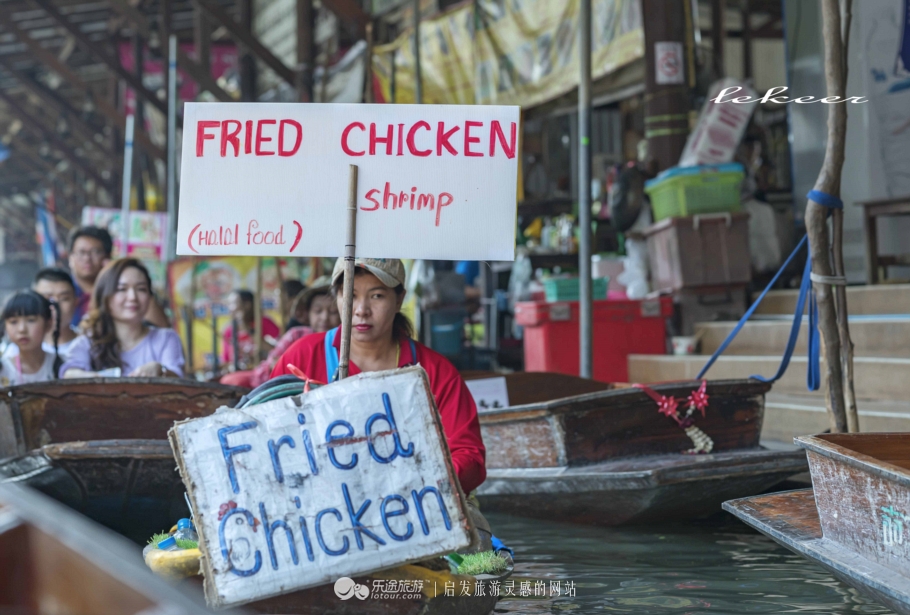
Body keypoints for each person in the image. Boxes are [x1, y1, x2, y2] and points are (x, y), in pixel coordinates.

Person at [270, 258, 486, 495]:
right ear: (337, 298)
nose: (361, 310)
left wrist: (419, 482)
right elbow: (267, 435)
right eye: (350, 295)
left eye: (377, 296)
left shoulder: (435, 372)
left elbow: (469, 456)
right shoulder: (302, 357)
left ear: (399, 300)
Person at [60, 259, 185, 378]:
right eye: (122, 289)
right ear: (105, 296)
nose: (132, 297)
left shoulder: (165, 338)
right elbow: (69, 373)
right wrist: (98, 380)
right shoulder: (88, 342)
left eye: (141, 289)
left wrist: (160, 370)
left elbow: (178, 379)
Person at [220, 284, 341, 388]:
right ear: (307, 314)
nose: (324, 317)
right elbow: (271, 363)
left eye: (333, 312)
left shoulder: (346, 341)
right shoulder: (296, 335)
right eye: (318, 311)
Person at [67, 226, 169, 329]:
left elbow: (161, 328)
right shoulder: (63, 290)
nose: (87, 258)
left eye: (95, 252)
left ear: (108, 257)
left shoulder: (122, 289)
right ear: (71, 258)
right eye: (81, 252)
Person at [2, 268, 79, 361]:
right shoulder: (12, 354)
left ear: (76, 301)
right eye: (47, 299)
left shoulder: (91, 346)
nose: (55, 306)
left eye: (64, 298)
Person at [1, 290, 60, 386]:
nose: (22, 329)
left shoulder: (64, 366)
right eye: (13, 322)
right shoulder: (3, 369)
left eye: (31, 320)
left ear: (48, 324)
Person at [221, 290, 280, 369]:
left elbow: (278, 351)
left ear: (247, 305)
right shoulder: (229, 331)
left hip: (265, 370)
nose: (230, 308)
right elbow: (227, 361)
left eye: (233, 303)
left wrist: (248, 330)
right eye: (229, 304)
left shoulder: (264, 323)